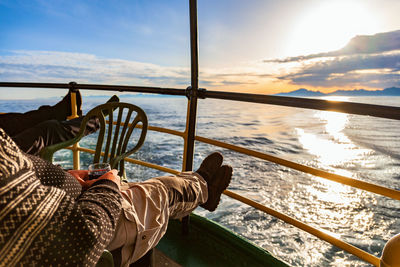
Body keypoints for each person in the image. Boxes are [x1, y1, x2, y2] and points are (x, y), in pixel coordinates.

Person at [0, 128, 232, 266]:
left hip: (71, 195)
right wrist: (107, 186)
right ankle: (203, 188)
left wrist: (64, 175)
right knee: (160, 191)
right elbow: (83, 240)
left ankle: (201, 186)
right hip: (89, 222)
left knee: (135, 189)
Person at [0, 90, 118, 155]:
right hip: (4, 154)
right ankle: (94, 120)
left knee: (17, 120)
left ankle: (58, 111)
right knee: (47, 130)